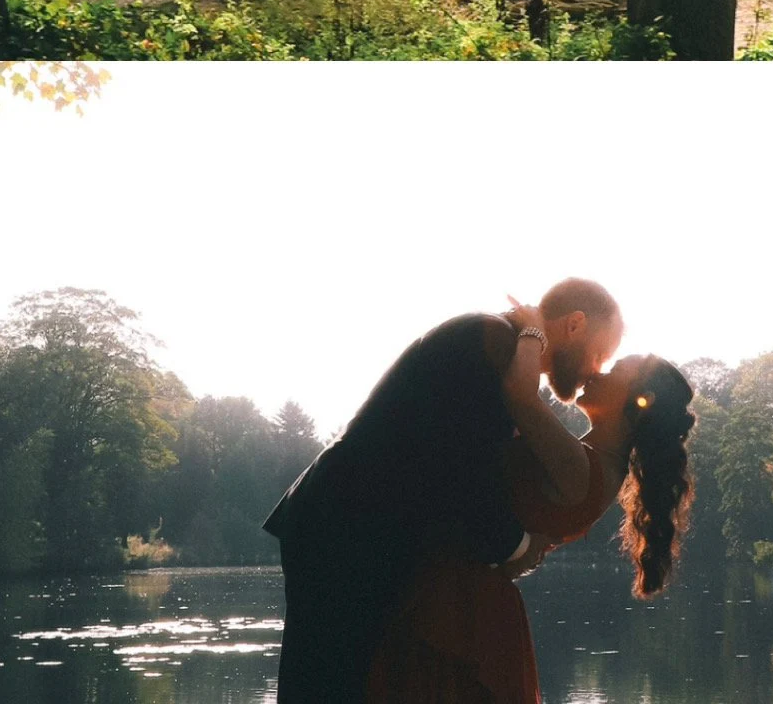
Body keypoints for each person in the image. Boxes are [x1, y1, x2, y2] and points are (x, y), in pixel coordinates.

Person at [264, 279, 625, 704]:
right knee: (328, 688)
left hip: (354, 529)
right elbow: (463, 472)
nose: (595, 371)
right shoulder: (493, 341)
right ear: (575, 325)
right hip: (346, 528)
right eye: (601, 355)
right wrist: (517, 545)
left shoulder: (508, 350)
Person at [367, 320, 695, 704]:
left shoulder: (581, 467)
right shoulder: (589, 463)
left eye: (614, 372)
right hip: (461, 607)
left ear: (640, 405)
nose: (595, 373)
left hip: (456, 614)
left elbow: (520, 396)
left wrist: (532, 330)